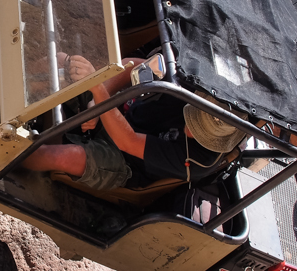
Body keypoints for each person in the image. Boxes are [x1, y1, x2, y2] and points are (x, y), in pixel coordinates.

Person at [22, 56, 246, 191]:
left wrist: (99, 94)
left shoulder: (198, 162)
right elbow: (134, 65)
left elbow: (127, 142)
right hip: (122, 110)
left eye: (199, 134)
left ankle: (0, 165)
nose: (188, 129)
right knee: (63, 61)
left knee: (59, 156)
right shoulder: (196, 80)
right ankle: (8, 84)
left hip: (125, 161)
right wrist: (98, 101)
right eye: (193, 119)